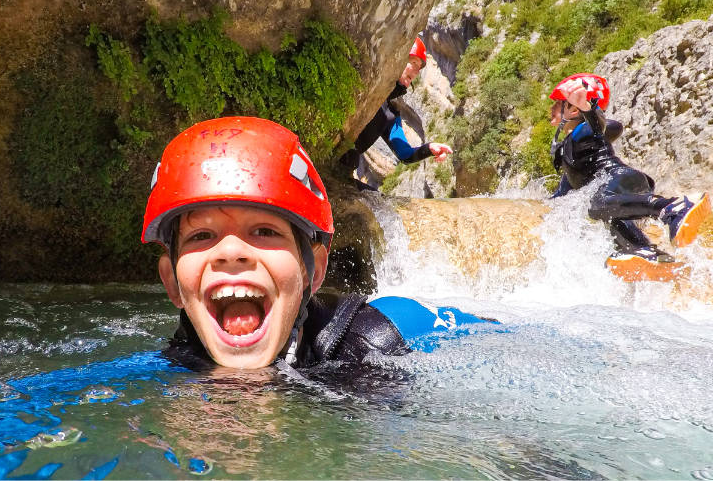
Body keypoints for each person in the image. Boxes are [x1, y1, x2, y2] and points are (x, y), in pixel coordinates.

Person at [141, 116, 491, 370]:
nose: (231, 252)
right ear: (171, 283)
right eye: (202, 235)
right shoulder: (168, 366)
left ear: (315, 271)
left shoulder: (375, 342)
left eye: (265, 231)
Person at [548, 73, 711, 259]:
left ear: (572, 109)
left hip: (622, 179)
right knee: (611, 218)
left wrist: (587, 108)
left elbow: (599, 125)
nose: (552, 107)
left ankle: (671, 207)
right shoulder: (570, 154)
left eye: (558, 103)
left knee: (596, 205)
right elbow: (560, 199)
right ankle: (646, 253)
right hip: (619, 187)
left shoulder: (584, 130)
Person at [340, 36, 452, 185]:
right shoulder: (365, 85)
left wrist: (429, 148)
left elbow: (405, 154)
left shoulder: (390, 113)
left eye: (419, 68)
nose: (416, 72)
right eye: (413, 63)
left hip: (340, 173)